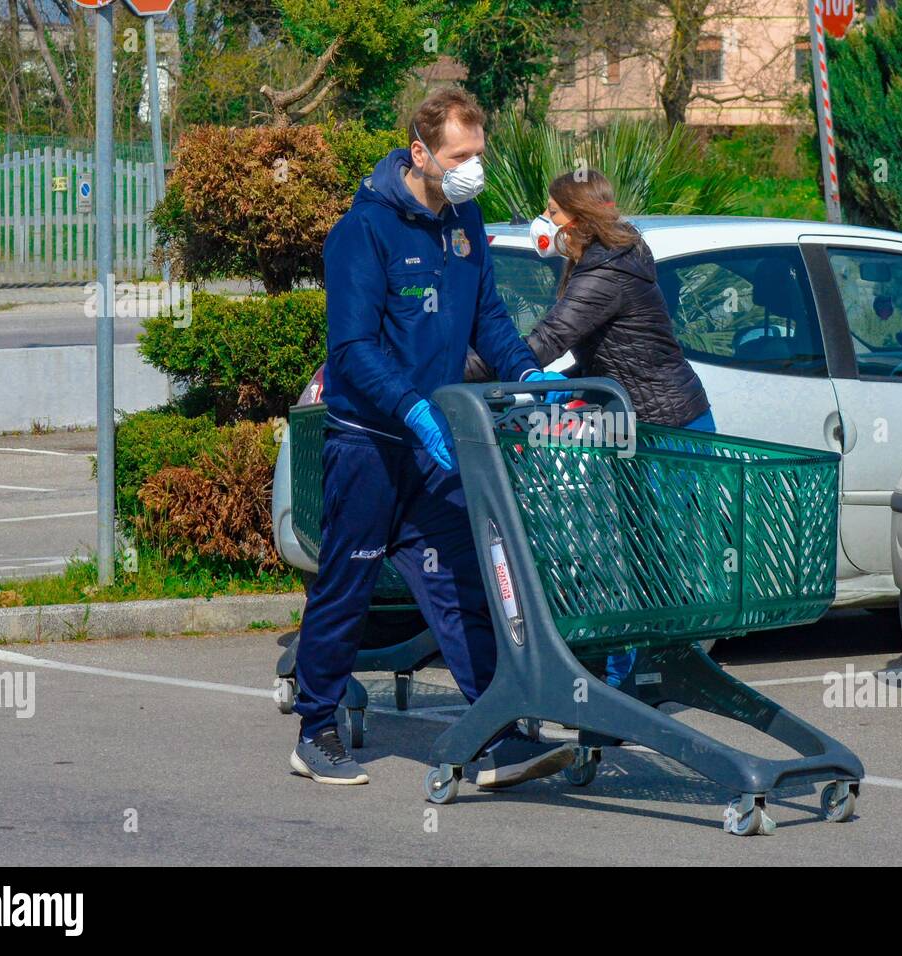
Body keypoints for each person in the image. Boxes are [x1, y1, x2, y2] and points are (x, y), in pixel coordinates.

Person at [292, 87, 573, 788]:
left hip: (433, 445)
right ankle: (316, 729)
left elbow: (489, 320)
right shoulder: (364, 231)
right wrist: (411, 408)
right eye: (459, 156)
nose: (472, 168)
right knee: (346, 585)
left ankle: (492, 728)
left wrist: (529, 374)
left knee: (463, 582)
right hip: (369, 444)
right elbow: (353, 347)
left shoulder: (466, 220)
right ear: (420, 154)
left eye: (478, 154)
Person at [466, 169, 715, 686]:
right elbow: (607, 353)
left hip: (666, 427)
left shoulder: (605, 273)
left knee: (658, 557)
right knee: (645, 557)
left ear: (577, 219)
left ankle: (639, 675)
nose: (544, 222)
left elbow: (546, 340)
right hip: (641, 424)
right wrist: (566, 386)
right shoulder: (609, 260)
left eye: (552, 212)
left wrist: (450, 369)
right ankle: (640, 672)